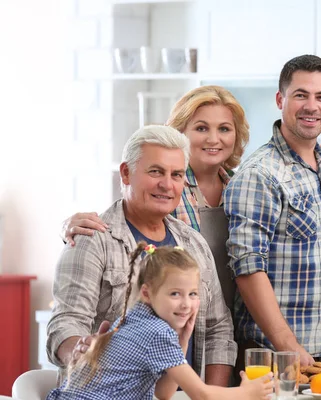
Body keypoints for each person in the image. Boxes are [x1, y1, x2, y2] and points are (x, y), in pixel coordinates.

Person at [47, 125, 237, 384]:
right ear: (126, 173)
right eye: (156, 171)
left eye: (177, 174)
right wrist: (79, 349)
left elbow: (219, 330)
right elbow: (65, 324)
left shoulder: (194, 243)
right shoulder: (91, 240)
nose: (167, 185)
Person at [62, 85, 250, 312]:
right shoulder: (163, 190)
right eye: (201, 128)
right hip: (177, 319)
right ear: (179, 132)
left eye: (224, 129)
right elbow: (115, 229)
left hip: (231, 322)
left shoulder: (243, 189)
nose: (213, 139)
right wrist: (67, 228)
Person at [223, 54, 321, 367]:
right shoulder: (260, 173)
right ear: (280, 99)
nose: (311, 106)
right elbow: (248, 268)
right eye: (300, 95)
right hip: (272, 356)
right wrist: (288, 346)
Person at [47, 243, 273, 400]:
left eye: (193, 294)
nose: (186, 304)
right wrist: (247, 394)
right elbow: (201, 395)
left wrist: (182, 341)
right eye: (175, 294)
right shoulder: (155, 331)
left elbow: (163, 394)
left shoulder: (131, 318)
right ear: (147, 293)